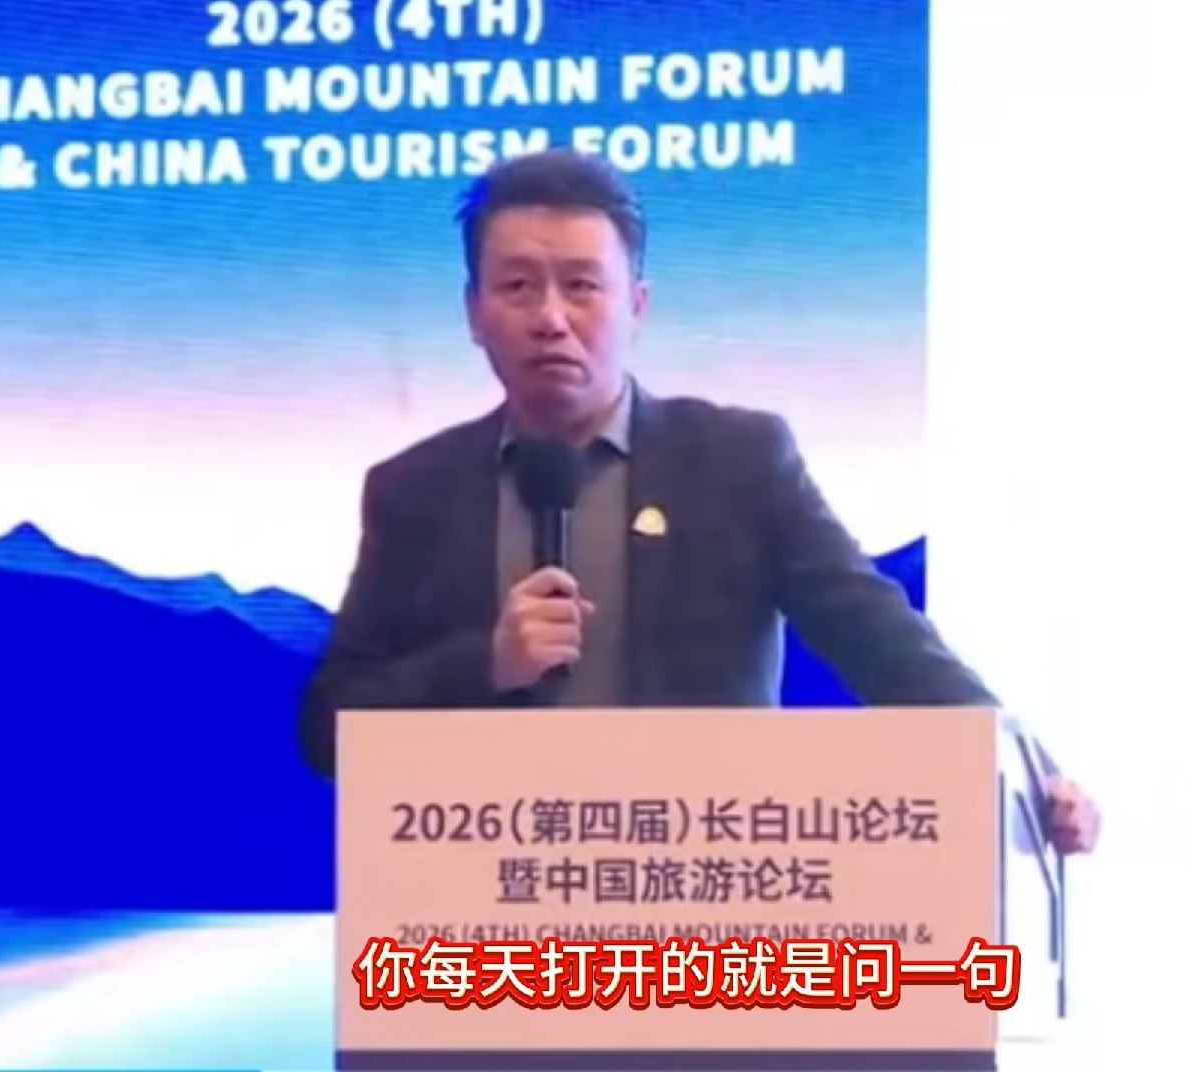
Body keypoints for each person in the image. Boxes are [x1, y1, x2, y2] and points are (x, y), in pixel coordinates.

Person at [299, 149, 1100, 855]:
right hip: (484, 915)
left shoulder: (737, 462)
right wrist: (486, 663)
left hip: (697, 897)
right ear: (474, 312)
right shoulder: (415, 491)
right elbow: (330, 727)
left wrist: (1025, 771)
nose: (551, 318)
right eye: (517, 286)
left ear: (637, 305)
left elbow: (881, 639)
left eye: (582, 286)